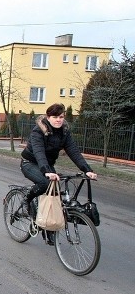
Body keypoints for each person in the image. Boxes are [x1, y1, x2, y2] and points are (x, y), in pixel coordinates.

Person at [20, 103, 97, 244]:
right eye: (55, 117)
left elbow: (73, 151)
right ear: (48, 117)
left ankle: (49, 229)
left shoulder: (64, 132)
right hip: (30, 163)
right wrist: (46, 171)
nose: (58, 120)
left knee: (55, 196)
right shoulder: (39, 131)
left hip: (47, 166)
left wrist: (87, 170)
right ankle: (27, 198)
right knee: (45, 183)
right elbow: (39, 152)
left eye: (61, 117)